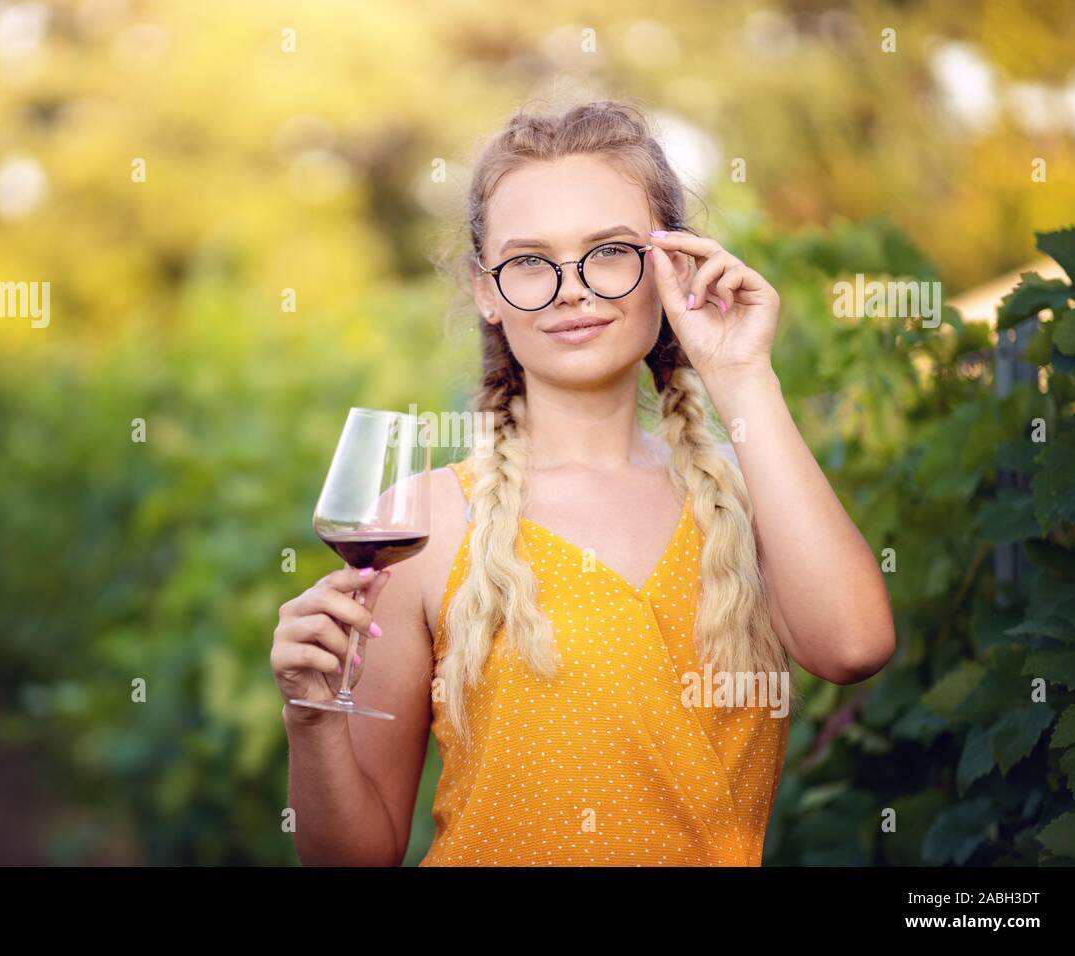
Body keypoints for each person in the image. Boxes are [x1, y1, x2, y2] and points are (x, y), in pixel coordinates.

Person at [271, 99, 895, 866]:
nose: (570, 288)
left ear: (674, 264)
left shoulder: (744, 495)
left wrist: (741, 375)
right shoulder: (426, 520)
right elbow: (355, 858)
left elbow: (856, 645)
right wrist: (312, 719)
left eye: (607, 251)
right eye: (529, 261)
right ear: (485, 289)